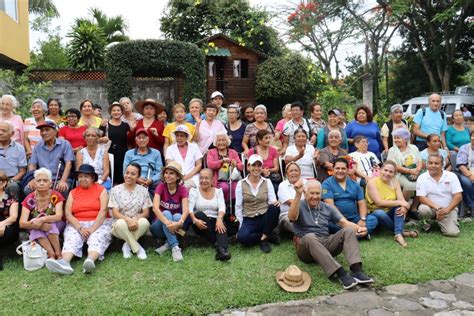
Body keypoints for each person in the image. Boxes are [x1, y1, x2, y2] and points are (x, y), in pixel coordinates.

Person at [289, 179, 374, 290]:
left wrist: (359, 228)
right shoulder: (299, 204)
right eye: (312, 193)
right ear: (305, 193)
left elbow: (344, 223)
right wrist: (297, 194)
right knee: (310, 237)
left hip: (325, 242)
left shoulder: (327, 207)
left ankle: (356, 270)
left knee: (348, 231)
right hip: (306, 248)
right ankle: (340, 273)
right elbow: (291, 217)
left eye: (318, 193)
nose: (315, 196)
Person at [46, 164, 112, 275]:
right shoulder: (73, 192)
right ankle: (65, 263)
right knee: (72, 237)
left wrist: (92, 229)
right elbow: (68, 213)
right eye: (80, 176)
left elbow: (103, 210)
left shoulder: (101, 190)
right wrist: (79, 227)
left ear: (92, 178)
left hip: (98, 222)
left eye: (86, 176)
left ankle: (90, 261)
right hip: (77, 222)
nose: (82, 179)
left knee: (97, 237)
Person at [322, 158, 378, 237]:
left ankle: (347, 235)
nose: (340, 171)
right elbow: (330, 206)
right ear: (333, 169)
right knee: (327, 225)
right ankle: (362, 233)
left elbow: (362, 203)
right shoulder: (326, 184)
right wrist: (344, 222)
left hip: (354, 218)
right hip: (336, 221)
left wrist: (362, 219)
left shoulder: (355, 184)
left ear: (348, 170)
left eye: (343, 168)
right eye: (337, 168)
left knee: (373, 219)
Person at [235, 154, 280, 253]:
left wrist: (275, 203)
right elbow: (238, 207)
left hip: (264, 217)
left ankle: (263, 238)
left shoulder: (267, 182)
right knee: (242, 238)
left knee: (275, 207)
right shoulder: (241, 183)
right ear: (248, 167)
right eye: (253, 165)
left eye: (259, 165)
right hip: (249, 218)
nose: (256, 168)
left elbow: (272, 201)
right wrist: (241, 226)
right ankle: (266, 236)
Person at [366, 161, 414, 247]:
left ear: (394, 174)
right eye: (385, 170)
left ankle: (398, 234)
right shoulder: (372, 182)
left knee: (399, 207)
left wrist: (404, 208)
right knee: (380, 212)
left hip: (389, 213)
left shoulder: (395, 182)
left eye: (391, 172)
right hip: (375, 213)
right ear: (380, 170)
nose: (387, 173)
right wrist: (400, 202)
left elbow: (402, 202)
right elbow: (379, 202)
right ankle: (401, 232)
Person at [109, 163, 152, 260]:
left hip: (136, 223)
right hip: (121, 224)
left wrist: (135, 219)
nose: (128, 176)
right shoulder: (115, 190)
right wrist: (128, 220)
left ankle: (127, 245)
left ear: (138, 176)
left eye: (133, 174)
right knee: (120, 224)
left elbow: (146, 213)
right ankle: (138, 248)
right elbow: (115, 213)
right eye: (127, 173)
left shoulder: (143, 191)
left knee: (145, 222)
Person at [19, 168, 64, 260]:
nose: (42, 183)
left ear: (50, 183)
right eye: (39, 180)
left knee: (50, 223)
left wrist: (42, 220)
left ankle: (58, 253)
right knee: (34, 226)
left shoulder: (56, 196)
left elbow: (59, 216)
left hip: (57, 225)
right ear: (34, 183)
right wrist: (39, 225)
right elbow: (22, 223)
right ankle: (51, 255)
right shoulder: (29, 199)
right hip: (38, 227)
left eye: (45, 180)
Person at [150, 162, 189, 262]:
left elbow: (186, 210)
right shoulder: (161, 187)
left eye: (171, 173)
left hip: (175, 226)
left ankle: (169, 245)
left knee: (177, 216)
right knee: (166, 213)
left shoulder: (183, 189)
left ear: (177, 177)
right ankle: (175, 246)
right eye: (166, 173)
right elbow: (155, 208)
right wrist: (168, 223)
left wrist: (179, 222)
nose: (167, 175)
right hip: (158, 226)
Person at [189, 169, 231, 261]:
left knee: (221, 223)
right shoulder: (194, 191)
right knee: (199, 214)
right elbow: (190, 209)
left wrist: (219, 219)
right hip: (200, 223)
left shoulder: (218, 191)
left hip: (215, 222)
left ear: (212, 180)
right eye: (201, 178)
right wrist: (195, 220)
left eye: (206, 178)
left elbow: (222, 207)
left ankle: (221, 250)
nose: (203, 181)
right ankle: (219, 244)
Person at [26, 121, 75, 199]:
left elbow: (69, 163)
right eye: (42, 130)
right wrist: (33, 179)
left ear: (55, 131)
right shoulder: (38, 146)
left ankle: (62, 210)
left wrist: (63, 181)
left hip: (60, 178)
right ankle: (36, 211)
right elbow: (33, 165)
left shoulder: (65, 144)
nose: (44, 133)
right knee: (28, 189)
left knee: (62, 189)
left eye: (47, 130)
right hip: (42, 179)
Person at [416, 154, 462, 237]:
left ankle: (446, 221)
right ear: (427, 164)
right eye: (430, 163)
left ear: (442, 164)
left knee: (452, 233)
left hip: (449, 209)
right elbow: (422, 198)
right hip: (431, 208)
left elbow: (458, 196)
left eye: (436, 163)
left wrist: (446, 210)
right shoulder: (422, 177)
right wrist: (438, 208)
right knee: (423, 209)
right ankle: (427, 224)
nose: (433, 166)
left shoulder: (451, 176)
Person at [387, 128, 422, 203]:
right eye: (395, 138)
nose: (396, 140)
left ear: (405, 139)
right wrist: (410, 171)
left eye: (398, 138)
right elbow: (393, 166)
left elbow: (420, 161)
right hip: (399, 174)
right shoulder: (392, 150)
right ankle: (402, 204)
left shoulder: (414, 148)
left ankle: (413, 207)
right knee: (410, 186)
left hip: (415, 172)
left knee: (422, 184)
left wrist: (417, 171)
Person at [123, 128, 163, 195]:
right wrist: (137, 179)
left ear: (148, 140)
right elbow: (125, 171)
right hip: (134, 180)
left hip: (151, 182)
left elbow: (160, 172)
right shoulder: (129, 153)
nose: (141, 140)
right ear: (136, 140)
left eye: (144, 138)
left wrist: (151, 180)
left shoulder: (156, 153)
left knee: (161, 186)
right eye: (139, 138)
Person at [206, 132, 243, 202]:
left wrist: (236, 165)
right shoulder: (211, 152)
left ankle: (233, 207)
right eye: (219, 140)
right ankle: (224, 204)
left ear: (227, 142)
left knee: (238, 187)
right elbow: (210, 165)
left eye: (223, 140)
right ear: (216, 142)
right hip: (218, 180)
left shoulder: (233, 152)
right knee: (224, 187)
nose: (221, 142)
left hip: (233, 178)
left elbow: (241, 166)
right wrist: (221, 161)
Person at [105, 102, 130, 184]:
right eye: (114, 110)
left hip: (123, 154)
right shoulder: (105, 124)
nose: (116, 112)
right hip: (110, 154)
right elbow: (98, 138)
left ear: (122, 112)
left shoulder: (126, 125)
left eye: (118, 110)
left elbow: (129, 140)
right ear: (110, 112)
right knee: (111, 176)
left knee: (122, 176)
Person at [0, 121, 26, 200]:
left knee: (13, 186)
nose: (0, 133)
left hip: (13, 179)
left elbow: (22, 171)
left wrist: (10, 181)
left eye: (4, 131)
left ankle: (14, 211)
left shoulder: (19, 148)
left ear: (12, 133)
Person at [276, 162, 304, 236]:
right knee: (288, 221)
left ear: (300, 173)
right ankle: (304, 234)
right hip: (287, 215)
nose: (294, 173)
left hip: (305, 213)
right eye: (291, 171)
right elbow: (292, 203)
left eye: (296, 170)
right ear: (286, 174)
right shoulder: (282, 185)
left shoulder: (306, 183)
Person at [0, 170, 19, 271]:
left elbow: (13, 217)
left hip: (8, 224)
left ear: (4, 183)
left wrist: (2, 224)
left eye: (0, 181)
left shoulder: (11, 197)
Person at [456, 130, 474, 213]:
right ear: (470, 138)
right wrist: (470, 175)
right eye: (473, 136)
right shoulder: (465, 147)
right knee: (467, 182)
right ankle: (471, 205)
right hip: (465, 172)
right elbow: (460, 165)